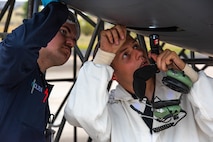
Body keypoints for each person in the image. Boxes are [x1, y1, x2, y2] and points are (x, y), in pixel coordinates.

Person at [64, 25, 213, 142]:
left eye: (136, 46)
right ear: (113, 74)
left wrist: (192, 77)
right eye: (126, 54)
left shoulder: (187, 94)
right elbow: (79, 114)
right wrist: (102, 58)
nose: (139, 53)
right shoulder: (110, 109)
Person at [0, 1, 80, 141]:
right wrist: (57, 10)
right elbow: (19, 46)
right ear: (44, 32)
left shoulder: (38, 83)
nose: (71, 43)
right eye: (63, 31)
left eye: (74, 39)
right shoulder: (10, 67)